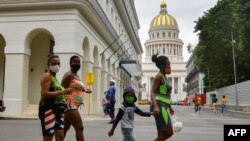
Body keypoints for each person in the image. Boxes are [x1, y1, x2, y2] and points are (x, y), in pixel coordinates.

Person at [39, 54, 73, 141]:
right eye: (54, 63)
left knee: (60, 137)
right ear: (48, 65)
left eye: (58, 63)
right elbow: (44, 94)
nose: (56, 65)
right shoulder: (47, 76)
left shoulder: (55, 78)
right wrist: (63, 91)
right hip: (48, 110)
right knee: (48, 137)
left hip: (58, 112)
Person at [61, 55, 91, 141]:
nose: (77, 64)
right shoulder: (68, 75)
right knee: (79, 128)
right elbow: (61, 89)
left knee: (65, 129)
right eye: (75, 62)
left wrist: (85, 89)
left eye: (79, 62)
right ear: (70, 64)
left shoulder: (76, 75)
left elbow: (75, 87)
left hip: (74, 105)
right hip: (70, 104)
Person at [150, 53, 174, 141]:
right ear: (162, 65)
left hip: (163, 105)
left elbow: (165, 94)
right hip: (159, 106)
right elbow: (152, 92)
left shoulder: (164, 76)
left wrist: (170, 107)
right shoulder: (159, 76)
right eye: (168, 65)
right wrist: (155, 107)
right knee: (167, 132)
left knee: (165, 133)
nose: (169, 67)